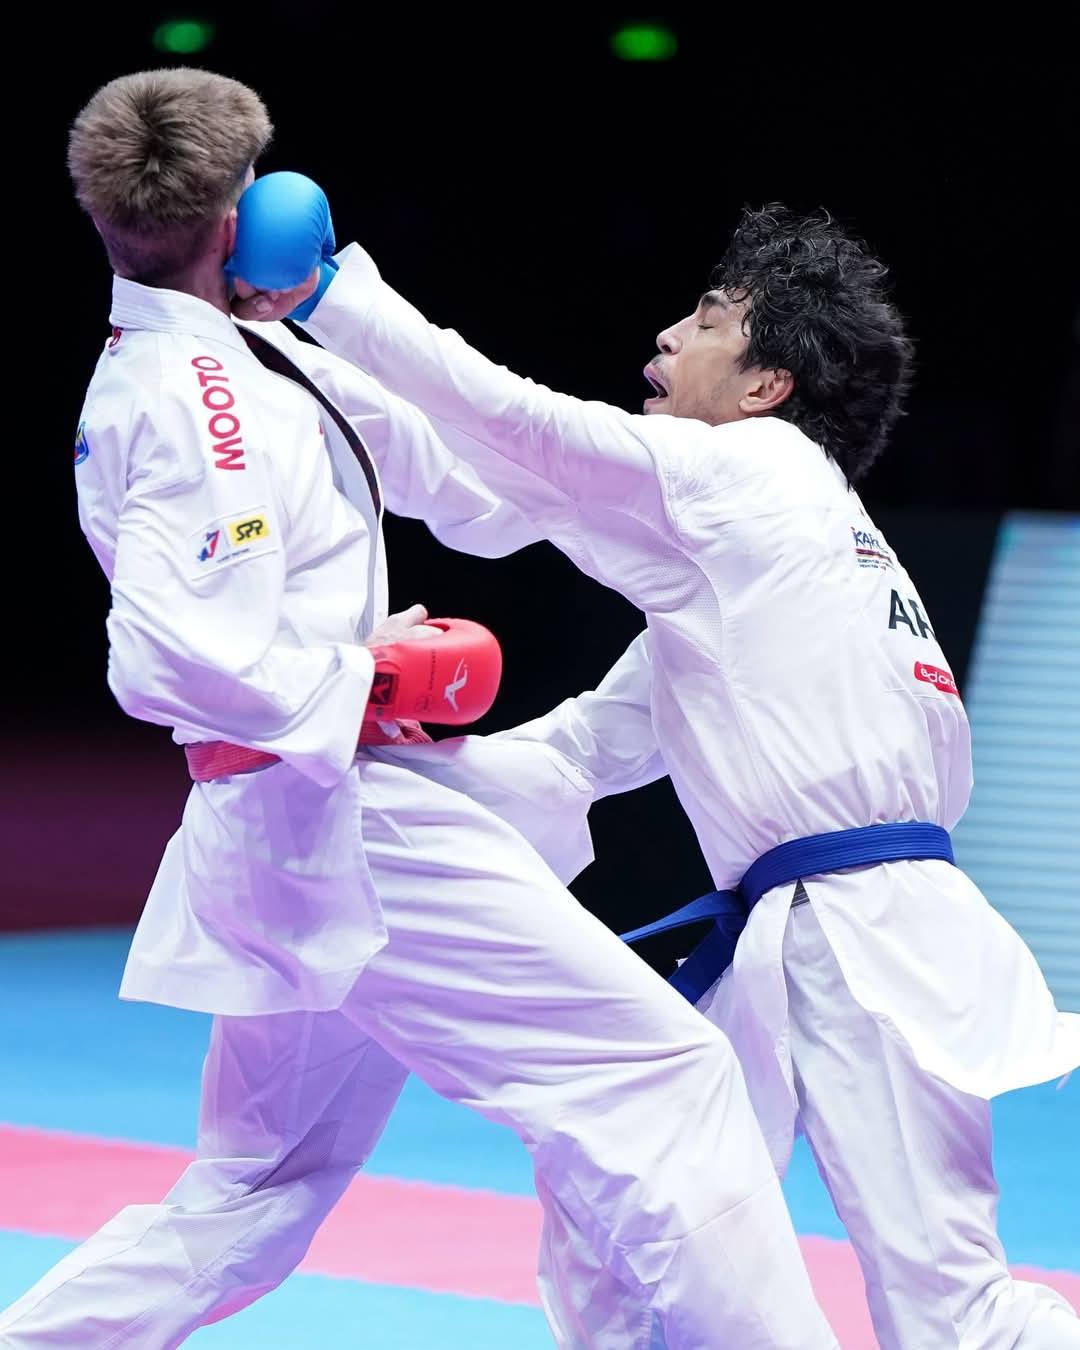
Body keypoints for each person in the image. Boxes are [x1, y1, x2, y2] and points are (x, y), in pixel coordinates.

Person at [0, 72, 841, 1350]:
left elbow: (475, 490)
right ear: (242, 217)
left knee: (252, 1194)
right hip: (340, 819)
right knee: (661, 1075)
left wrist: (667, 482)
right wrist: (369, 677)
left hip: (297, 823)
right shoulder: (193, 401)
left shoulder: (254, 355)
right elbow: (161, 652)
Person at [235, 178, 1080, 1350]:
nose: (670, 335)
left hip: (868, 944)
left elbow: (524, 425)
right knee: (620, 1211)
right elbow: (588, 748)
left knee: (951, 1311)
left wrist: (331, 298)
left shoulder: (761, 473)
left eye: (710, 320)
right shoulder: (775, 560)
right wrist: (376, 755)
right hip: (803, 938)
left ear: (766, 388)